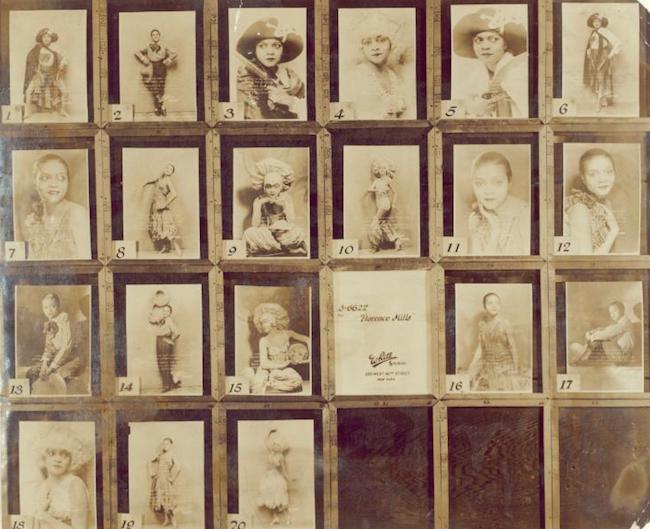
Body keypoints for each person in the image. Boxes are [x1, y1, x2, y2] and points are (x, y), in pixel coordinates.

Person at [452, 8, 529, 118]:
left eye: (493, 39)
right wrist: (472, 109)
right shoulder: (477, 74)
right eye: (478, 40)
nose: (485, 47)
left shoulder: (519, 72)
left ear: (505, 44)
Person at [22, 153, 91, 260]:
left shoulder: (77, 214)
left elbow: (87, 263)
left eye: (61, 178)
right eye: (45, 178)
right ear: (35, 182)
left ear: (68, 182)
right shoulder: (33, 221)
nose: (54, 184)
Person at [236, 17, 305, 119]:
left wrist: (289, 101)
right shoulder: (245, 77)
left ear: (283, 50)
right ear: (254, 50)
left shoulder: (290, 77)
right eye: (262, 46)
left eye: (276, 46)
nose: (270, 52)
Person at [345, 13, 411, 119]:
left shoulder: (393, 77)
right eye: (367, 42)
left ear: (392, 44)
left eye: (381, 40)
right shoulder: (356, 76)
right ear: (361, 47)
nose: (375, 47)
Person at [467, 151, 530, 255]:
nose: (488, 191)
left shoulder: (526, 214)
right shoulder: (476, 219)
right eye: (479, 183)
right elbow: (477, 267)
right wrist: (492, 233)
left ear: (509, 183)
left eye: (497, 182)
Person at [243, 158, 307, 256]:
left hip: (283, 233)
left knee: (298, 232)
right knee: (249, 233)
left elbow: (291, 221)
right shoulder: (259, 200)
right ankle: (284, 248)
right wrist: (259, 204)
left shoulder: (286, 199)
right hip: (266, 233)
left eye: (276, 186)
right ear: (263, 187)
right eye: (268, 186)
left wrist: (285, 206)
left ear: (282, 186)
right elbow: (255, 225)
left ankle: (274, 248)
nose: (272, 190)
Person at [31, 426, 92, 529]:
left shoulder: (75, 484)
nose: (57, 459)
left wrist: (46, 517)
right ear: (43, 457)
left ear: (72, 458)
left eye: (64, 454)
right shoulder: (42, 486)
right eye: (52, 453)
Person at [243, 302, 310, 394]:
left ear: (274, 321)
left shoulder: (287, 334)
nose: (263, 325)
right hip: (267, 370)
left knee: (296, 381)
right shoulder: (264, 340)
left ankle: (272, 385)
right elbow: (264, 364)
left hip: (283, 370)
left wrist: (309, 357)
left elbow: (308, 339)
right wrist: (283, 364)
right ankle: (253, 376)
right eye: (261, 323)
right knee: (258, 385)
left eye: (265, 322)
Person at [564, 148, 620, 254]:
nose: (603, 179)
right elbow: (585, 263)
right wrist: (614, 231)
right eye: (593, 174)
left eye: (608, 172)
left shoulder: (606, 203)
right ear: (583, 178)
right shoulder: (579, 209)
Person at [25, 293, 82, 395]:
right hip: (54, 357)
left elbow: (66, 347)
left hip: (69, 357)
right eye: (45, 307)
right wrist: (44, 364)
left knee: (59, 375)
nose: (49, 310)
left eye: (53, 306)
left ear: (58, 306)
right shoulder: (49, 324)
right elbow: (48, 347)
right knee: (32, 372)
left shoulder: (64, 319)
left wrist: (52, 367)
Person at [466, 292, 519, 392]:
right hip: (489, 365)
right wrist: (472, 365)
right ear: (484, 306)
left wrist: (515, 369)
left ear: (500, 305)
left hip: (505, 367)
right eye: (490, 303)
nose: (494, 306)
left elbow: (513, 347)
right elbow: (480, 347)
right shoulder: (482, 324)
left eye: (497, 303)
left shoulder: (505, 323)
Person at [570, 301, 635, 366]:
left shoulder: (625, 323)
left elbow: (607, 334)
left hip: (624, 357)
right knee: (599, 341)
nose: (612, 314)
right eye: (610, 312)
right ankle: (584, 358)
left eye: (615, 311)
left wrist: (591, 336)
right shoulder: (621, 323)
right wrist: (593, 332)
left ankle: (582, 358)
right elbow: (606, 329)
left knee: (600, 340)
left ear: (622, 310)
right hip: (621, 355)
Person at [24, 28, 68, 118]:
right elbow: (30, 60)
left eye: (49, 37)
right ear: (41, 38)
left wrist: (62, 63)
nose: (47, 39)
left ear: (51, 39)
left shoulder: (55, 49)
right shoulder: (37, 48)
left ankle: (63, 110)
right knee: (28, 91)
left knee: (64, 91)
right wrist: (37, 71)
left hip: (52, 75)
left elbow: (64, 59)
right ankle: (27, 112)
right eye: (45, 37)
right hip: (39, 74)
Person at [583, 13, 621, 113]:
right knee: (595, 78)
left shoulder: (605, 32)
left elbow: (618, 42)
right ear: (592, 23)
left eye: (598, 21)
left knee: (601, 79)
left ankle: (598, 103)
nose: (596, 23)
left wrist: (611, 54)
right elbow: (591, 45)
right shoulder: (593, 33)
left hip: (602, 58)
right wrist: (589, 52)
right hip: (593, 58)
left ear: (602, 22)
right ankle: (603, 100)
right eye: (594, 21)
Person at [142, 163, 182, 256]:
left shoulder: (168, 180)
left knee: (168, 227)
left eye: (170, 169)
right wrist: (145, 183)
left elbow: (174, 194)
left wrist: (165, 204)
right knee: (159, 228)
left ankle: (177, 248)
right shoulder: (160, 179)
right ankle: (165, 247)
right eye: (167, 167)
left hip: (162, 207)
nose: (167, 169)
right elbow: (153, 181)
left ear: (171, 173)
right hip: (155, 206)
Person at [135, 29, 177, 116]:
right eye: (153, 35)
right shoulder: (148, 46)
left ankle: (158, 107)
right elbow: (137, 52)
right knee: (154, 87)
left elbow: (175, 53)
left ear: (159, 36)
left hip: (161, 67)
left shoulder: (164, 45)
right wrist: (144, 59)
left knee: (161, 87)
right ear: (151, 36)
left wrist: (168, 59)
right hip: (151, 67)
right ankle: (161, 106)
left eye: (157, 34)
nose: (155, 36)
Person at [365, 157, 403, 252]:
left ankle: (375, 246)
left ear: (387, 170)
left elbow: (395, 192)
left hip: (385, 204)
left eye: (384, 168)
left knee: (374, 223)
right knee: (384, 224)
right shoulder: (377, 181)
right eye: (380, 168)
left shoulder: (387, 180)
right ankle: (397, 240)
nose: (382, 170)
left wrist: (393, 203)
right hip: (379, 204)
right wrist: (374, 190)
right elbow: (370, 190)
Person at [148, 291, 181, 393]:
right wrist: (154, 310)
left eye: (167, 311)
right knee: (164, 363)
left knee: (163, 363)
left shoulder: (169, 320)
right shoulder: (162, 319)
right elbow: (151, 320)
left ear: (170, 313)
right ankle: (171, 383)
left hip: (165, 341)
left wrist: (170, 340)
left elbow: (177, 332)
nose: (165, 312)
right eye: (164, 311)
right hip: (159, 340)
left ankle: (167, 385)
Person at [258, 429, 292, 526]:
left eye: (277, 445)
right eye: (274, 445)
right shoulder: (270, 453)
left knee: (279, 500)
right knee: (271, 499)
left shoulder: (280, 457)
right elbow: (265, 442)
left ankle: (288, 517)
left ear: (279, 448)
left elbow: (284, 469)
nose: (274, 446)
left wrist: (288, 478)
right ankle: (275, 518)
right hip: (268, 478)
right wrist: (269, 432)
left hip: (276, 478)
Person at [148, 437, 181, 528]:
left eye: (166, 443)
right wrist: (152, 472)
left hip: (166, 480)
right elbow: (150, 461)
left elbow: (179, 467)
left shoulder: (172, 454)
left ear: (170, 445)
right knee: (161, 500)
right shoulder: (160, 455)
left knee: (168, 501)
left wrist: (172, 478)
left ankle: (174, 521)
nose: (164, 445)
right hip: (159, 480)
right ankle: (166, 520)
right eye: (163, 443)